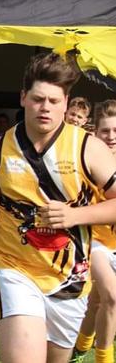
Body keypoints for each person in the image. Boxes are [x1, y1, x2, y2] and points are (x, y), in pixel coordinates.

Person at [0, 52, 116, 363]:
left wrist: (76, 215)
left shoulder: (89, 148)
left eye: (52, 100)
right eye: (37, 99)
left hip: (68, 276)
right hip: (12, 267)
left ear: (66, 102)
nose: (45, 107)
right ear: (23, 98)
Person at [70, 99, 116, 363]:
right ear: (95, 133)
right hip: (93, 240)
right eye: (105, 131)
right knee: (111, 295)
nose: (110, 137)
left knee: (97, 302)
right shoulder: (86, 161)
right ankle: (104, 359)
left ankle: (80, 347)